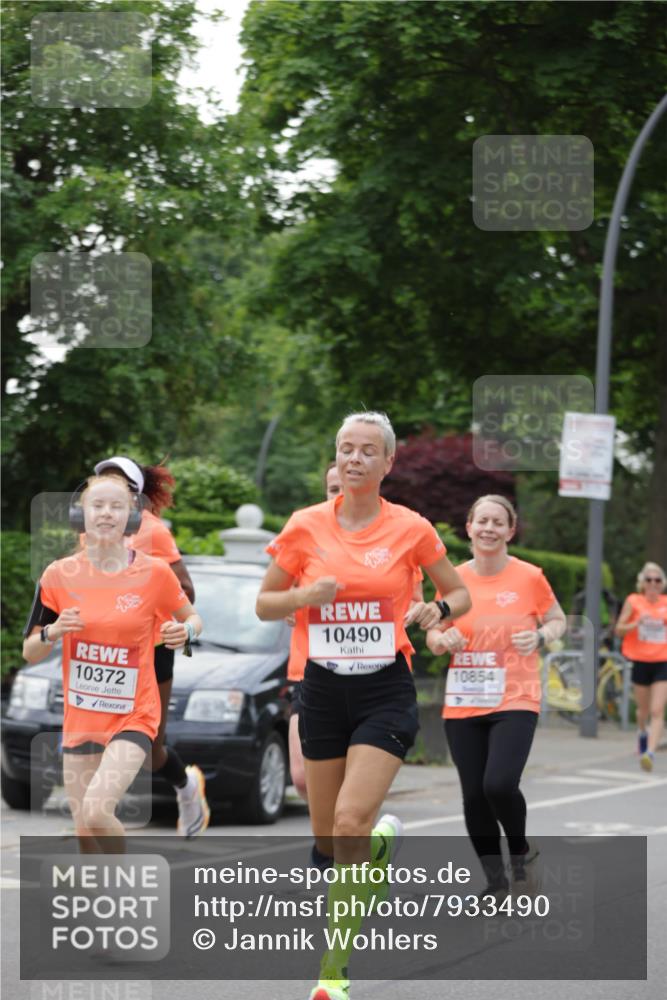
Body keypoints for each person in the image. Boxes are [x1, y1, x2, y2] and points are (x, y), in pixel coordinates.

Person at [256, 411, 470, 1000]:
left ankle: (332, 972)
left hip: (383, 689)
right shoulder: (304, 526)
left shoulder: (411, 529)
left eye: (367, 451)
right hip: (321, 690)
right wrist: (305, 594)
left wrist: (437, 613)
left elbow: (458, 591)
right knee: (330, 842)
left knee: (350, 819)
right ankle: (376, 850)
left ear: (387, 463)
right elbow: (265, 604)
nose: (353, 459)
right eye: (345, 448)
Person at [23, 474, 203, 853]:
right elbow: (30, 651)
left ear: (131, 518)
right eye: (98, 506)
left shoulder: (154, 572)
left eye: (116, 506)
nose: (106, 514)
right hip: (81, 717)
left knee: (96, 812)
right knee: (87, 837)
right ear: (81, 515)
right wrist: (53, 632)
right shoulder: (57, 575)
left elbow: (192, 617)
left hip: (133, 714)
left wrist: (185, 632)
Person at [427, 495, 566, 900]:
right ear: (468, 527)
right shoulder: (451, 580)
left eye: (497, 522)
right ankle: (496, 884)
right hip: (465, 699)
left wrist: (540, 636)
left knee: (499, 784)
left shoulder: (529, 577)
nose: (489, 528)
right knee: (474, 796)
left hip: (515, 697)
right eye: (481, 520)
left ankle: (521, 850)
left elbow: (557, 619)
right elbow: (433, 633)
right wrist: (442, 638)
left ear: (510, 530)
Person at [93, 455, 209, 836]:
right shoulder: (88, 531)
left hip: (152, 649)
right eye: (101, 483)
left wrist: (139, 596)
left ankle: (186, 787)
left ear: (136, 497)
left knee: (149, 749)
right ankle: (98, 817)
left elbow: (185, 590)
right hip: (106, 650)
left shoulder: (154, 531)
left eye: (119, 486)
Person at [615, 562, 667, 772]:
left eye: (657, 580)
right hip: (640, 661)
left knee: (657, 710)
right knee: (642, 711)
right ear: (642, 583)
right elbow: (619, 629)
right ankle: (642, 732)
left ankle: (650, 753)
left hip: (663, 661)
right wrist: (636, 623)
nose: (653, 584)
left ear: (662, 584)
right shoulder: (633, 601)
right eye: (649, 580)